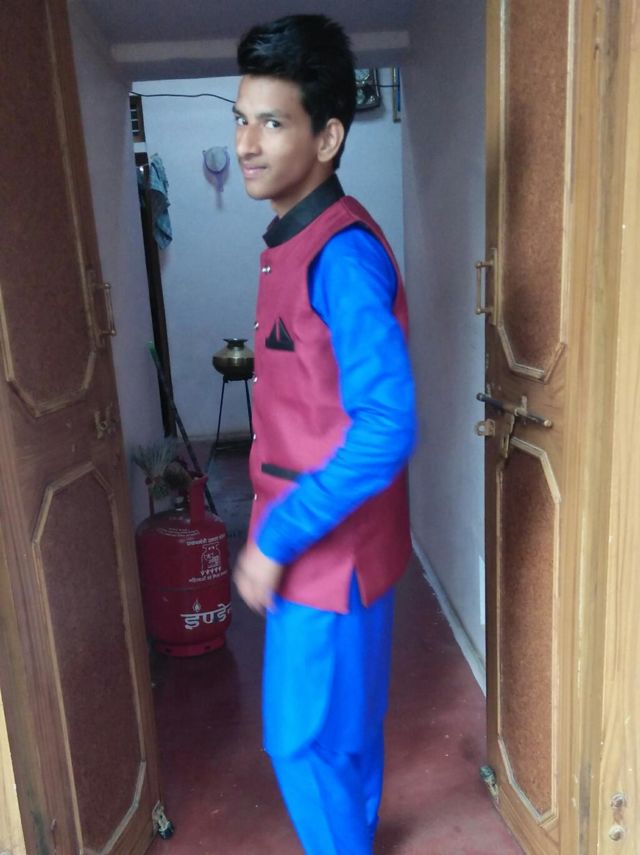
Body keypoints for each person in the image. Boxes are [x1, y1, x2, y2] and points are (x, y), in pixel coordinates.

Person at [232, 14, 417, 855]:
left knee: (303, 744)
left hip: (324, 559)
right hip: (344, 551)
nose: (247, 143)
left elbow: (387, 425)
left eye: (273, 122)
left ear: (329, 136)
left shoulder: (340, 257)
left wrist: (278, 538)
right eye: (241, 119)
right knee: (346, 737)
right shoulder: (301, 238)